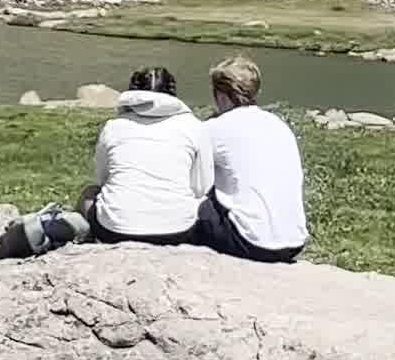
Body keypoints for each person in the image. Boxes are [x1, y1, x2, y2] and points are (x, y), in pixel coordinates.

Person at [196, 56, 308, 264]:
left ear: (221, 95)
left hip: (250, 241)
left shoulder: (215, 128)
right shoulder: (278, 123)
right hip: (294, 242)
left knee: (196, 203)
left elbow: (192, 175)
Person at [85, 67, 212, 246]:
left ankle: (88, 244)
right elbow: (202, 187)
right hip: (178, 231)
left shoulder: (114, 126)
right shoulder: (194, 127)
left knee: (89, 194)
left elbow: (102, 179)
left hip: (114, 231)